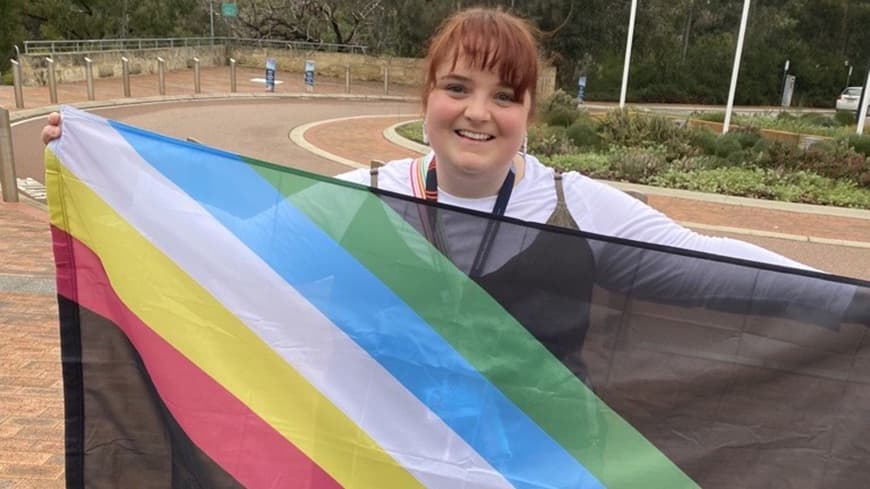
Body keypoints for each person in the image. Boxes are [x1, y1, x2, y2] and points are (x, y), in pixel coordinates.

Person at [41, 8, 867, 326]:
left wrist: (852, 301)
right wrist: (103, 176)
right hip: (375, 457)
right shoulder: (361, 200)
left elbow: (719, 267)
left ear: (530, 114)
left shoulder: (575, 208)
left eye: (506, 94)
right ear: (427, 95)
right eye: (458, 86)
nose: (479, 111)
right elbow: (227, 251)